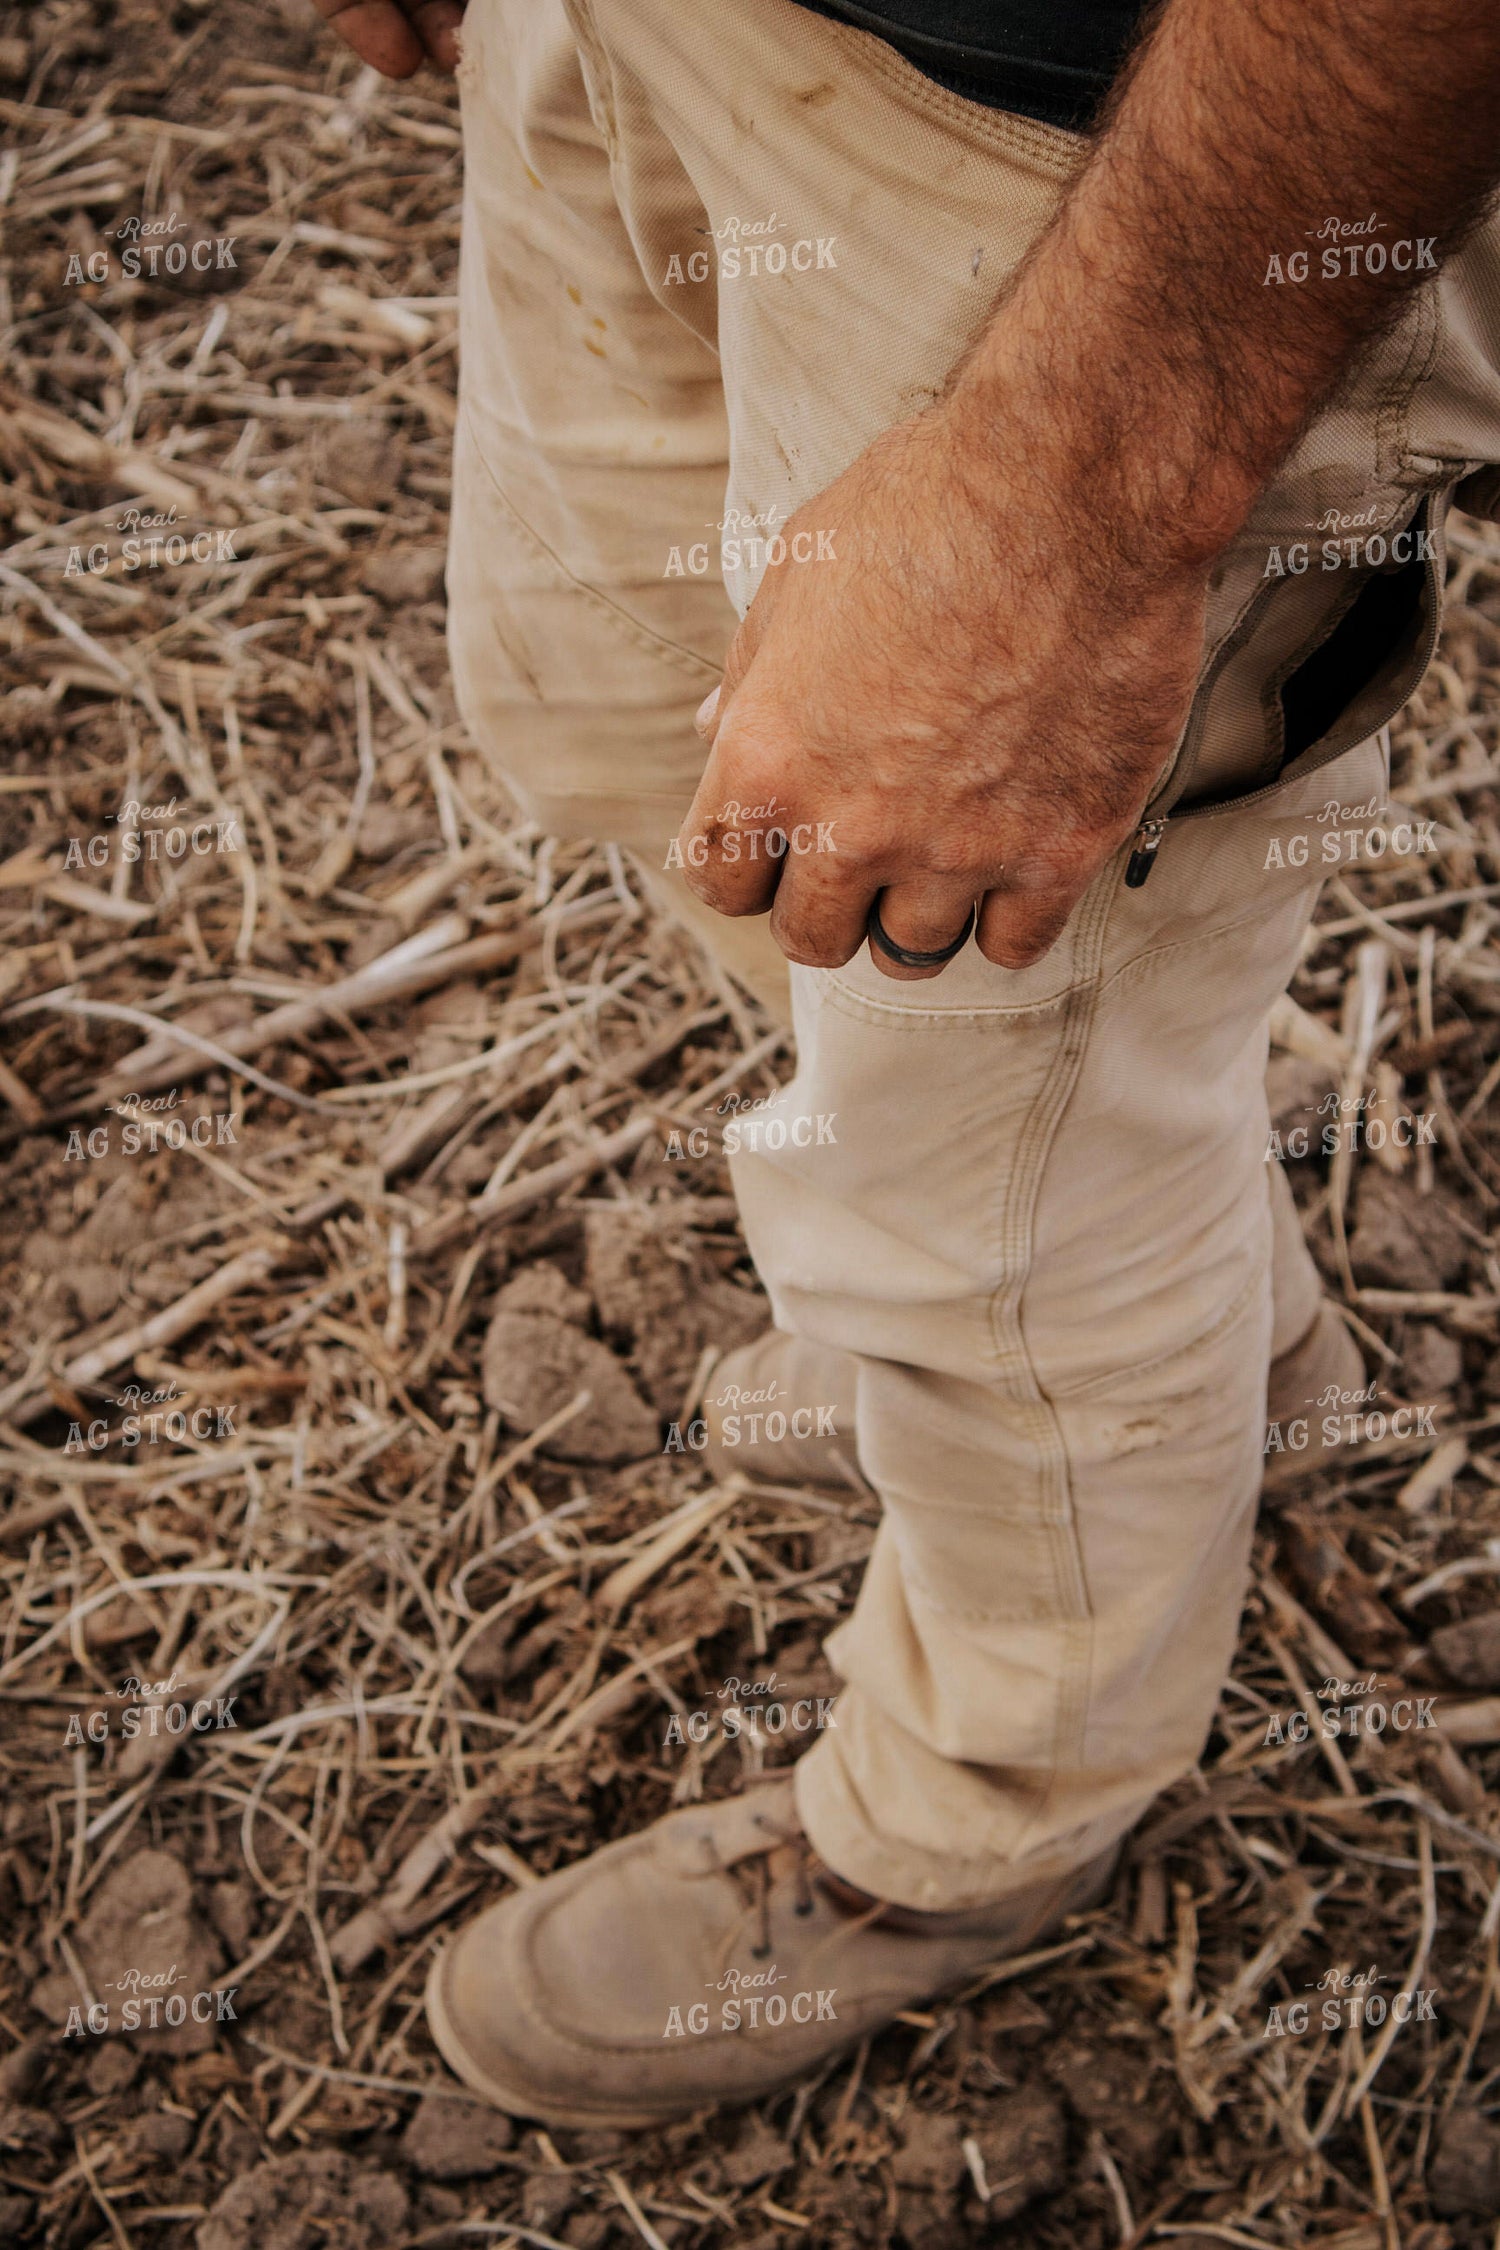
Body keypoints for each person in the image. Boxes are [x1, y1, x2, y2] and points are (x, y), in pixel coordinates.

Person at [315, 0, 1500, 2129]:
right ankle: (1220, 1335)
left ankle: (996, 1800)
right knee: (645, 721)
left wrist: (1091, 492)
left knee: (1004, 1125)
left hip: (1125, 148)